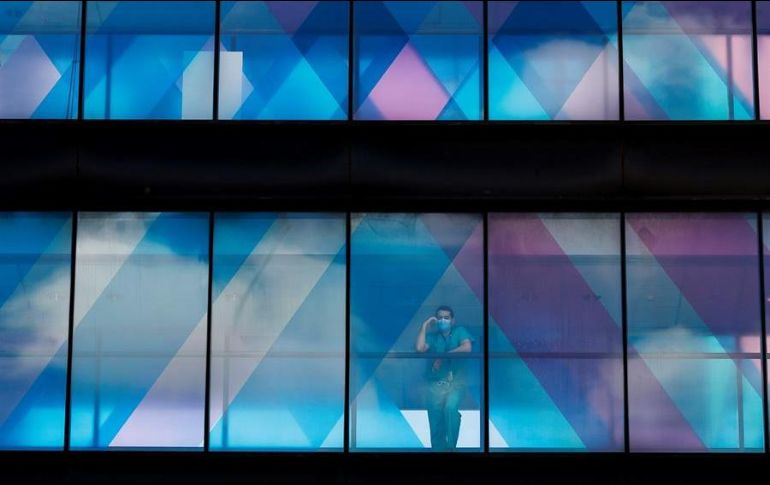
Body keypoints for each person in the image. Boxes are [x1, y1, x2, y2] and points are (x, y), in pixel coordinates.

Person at [415, 305, 473, 451]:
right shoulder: (433, 337)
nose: (442, 320)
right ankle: (438, 452)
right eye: (439, 318)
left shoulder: (459, 331)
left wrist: (443, 356)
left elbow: (467, 347)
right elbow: (420, 348)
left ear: (452, 320)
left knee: (450, 408)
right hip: (435, 384)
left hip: (456, 384)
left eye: (446, 318)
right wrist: (424, 325)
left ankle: (451, 449)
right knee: (435, 420)